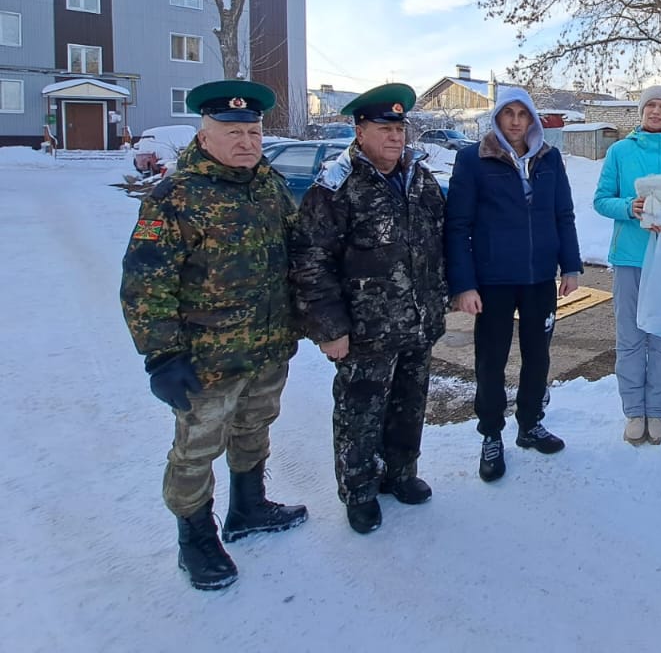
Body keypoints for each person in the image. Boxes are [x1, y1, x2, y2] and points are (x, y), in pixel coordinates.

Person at [120, 80, 306, 591]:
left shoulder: (269, 187)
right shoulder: (176, 197)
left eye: (254, 131)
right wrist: (161, 356)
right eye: (233, 131)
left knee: (254, 430)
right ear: (205, 137)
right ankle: (195, 538)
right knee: (196, 449)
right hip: (205, 361)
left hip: (267, 348)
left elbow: (297, 255)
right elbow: (144, 284)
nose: (247, 141)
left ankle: (248, 506)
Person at [290, 83, 447, 535]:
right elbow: (311, 260)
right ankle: (358, 490)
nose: (395, 136)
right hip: (364, 329)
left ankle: (400, 473)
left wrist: (444, 295)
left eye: (400, 127)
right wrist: (329, 327)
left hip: (417, 320)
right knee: (360, 410)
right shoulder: (337, 185)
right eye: (384, 127)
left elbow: (439, 241)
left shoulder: (420, 179)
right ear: (360, 131)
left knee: (409, 403)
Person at [445, 87, 583, 481]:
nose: (517, 121)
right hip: (493, 281)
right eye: (509, 113)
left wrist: (569, 266)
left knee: (538, 357)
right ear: (497, 117)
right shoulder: (474, 159)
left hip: (540, 278)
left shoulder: (549, 158)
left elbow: (564, 214)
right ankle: (491, 434)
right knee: (491, 360)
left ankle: (529, 424)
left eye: (524, 113)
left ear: (534, 119)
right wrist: (464, 284)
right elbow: (458, 226)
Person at [593, 86, 661, 445]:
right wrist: (630, 207)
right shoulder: (620, 152)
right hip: (629, 257)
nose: (656, 111)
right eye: (650, 105)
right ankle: (633, 412)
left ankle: (657, 410)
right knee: (630, 339)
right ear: (641, 111)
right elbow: (600, 199)